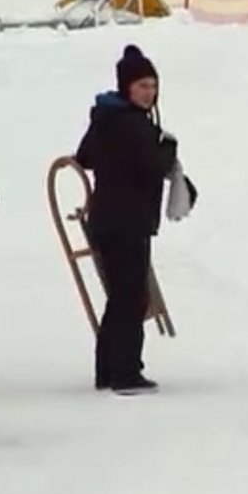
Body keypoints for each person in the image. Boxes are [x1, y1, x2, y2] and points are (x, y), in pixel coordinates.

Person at [74, 45, 179, 394]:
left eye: (153, 86)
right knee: (131, 296)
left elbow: (84, 156)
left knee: (119, 294)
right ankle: (125, 372)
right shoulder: (132, 125)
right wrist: (168, 148)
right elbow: (154, 165)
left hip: (106, 218)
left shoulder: (106, 117)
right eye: (142, 86)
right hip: (127, 221)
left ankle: (107, 369)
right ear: (126, 87)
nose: (149, 93)